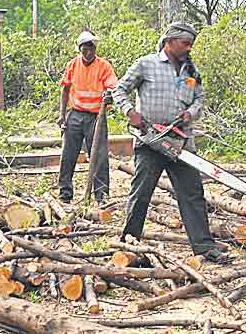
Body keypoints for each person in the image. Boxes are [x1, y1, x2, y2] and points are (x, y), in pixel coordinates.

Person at [110, 22, 230, 262]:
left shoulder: (191, 73)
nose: (189, 48)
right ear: (170, 41)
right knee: (141, 193)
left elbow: (199, 100)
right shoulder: (146, 64)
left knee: (192, 194)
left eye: (191, 44)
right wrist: (130, 112)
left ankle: (204, 247)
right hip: (150, 140)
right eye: (185, 43)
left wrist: (190, 114)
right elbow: (119, 90)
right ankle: (129, 242)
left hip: (181, 143)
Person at [58, 30, 118, 202]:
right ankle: (65, 193)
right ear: (80, 49)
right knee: (68, 155)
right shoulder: (73, 65)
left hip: (96, 117)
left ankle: (101, 195)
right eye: (85, 49)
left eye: (91, 48)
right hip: (75, 114)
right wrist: (62, 115)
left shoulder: (103, 66)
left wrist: (109, 95)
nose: (89, 52)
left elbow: (113, 86)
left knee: (99, 157)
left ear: (95, 49)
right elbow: (65, 89)